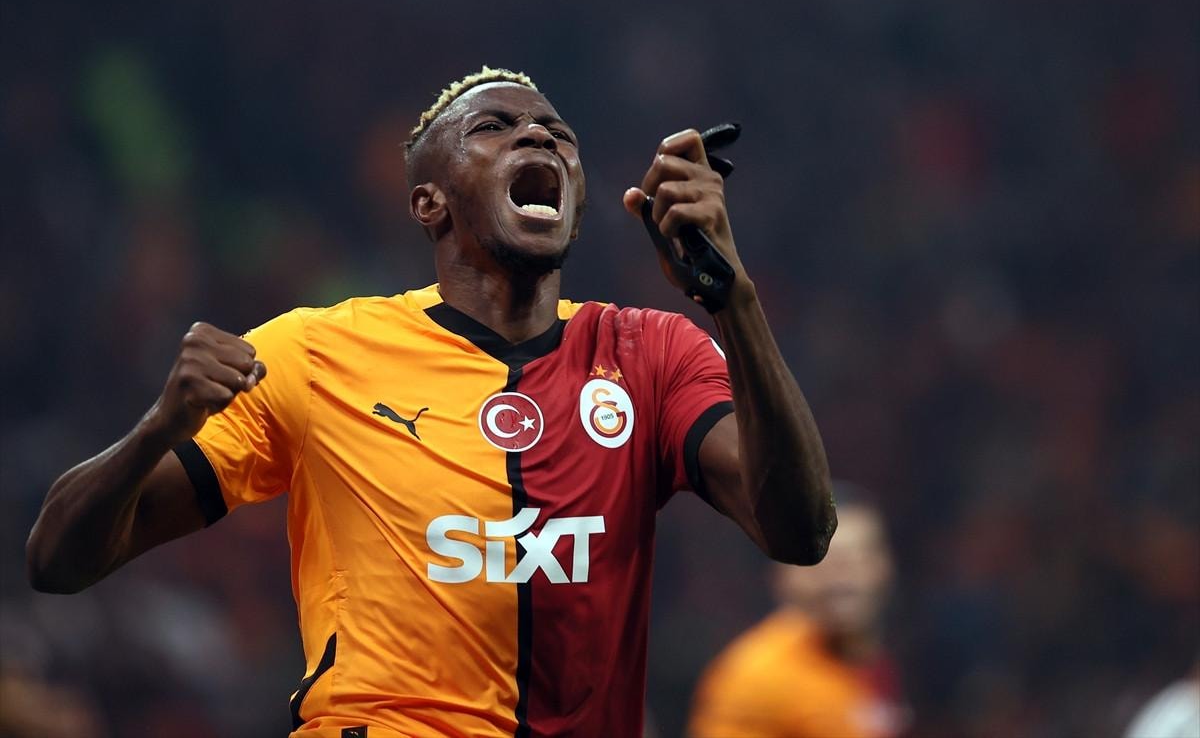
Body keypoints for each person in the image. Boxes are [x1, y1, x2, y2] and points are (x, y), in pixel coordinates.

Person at [26, 66, 836, 737]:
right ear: (430, 202)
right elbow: (57, 561)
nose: (537, 137)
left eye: (556, 133)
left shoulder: (651, 353)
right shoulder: (316, 353)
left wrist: (733, 299)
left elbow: (801, 532)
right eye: (495, 127)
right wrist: (158, 429)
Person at [688, 486, 906, 738]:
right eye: (824, 560)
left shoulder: (879, 660)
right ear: (783, 573)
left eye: (858, 559)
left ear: (886, 566)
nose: (843, 579)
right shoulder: (756, 677)